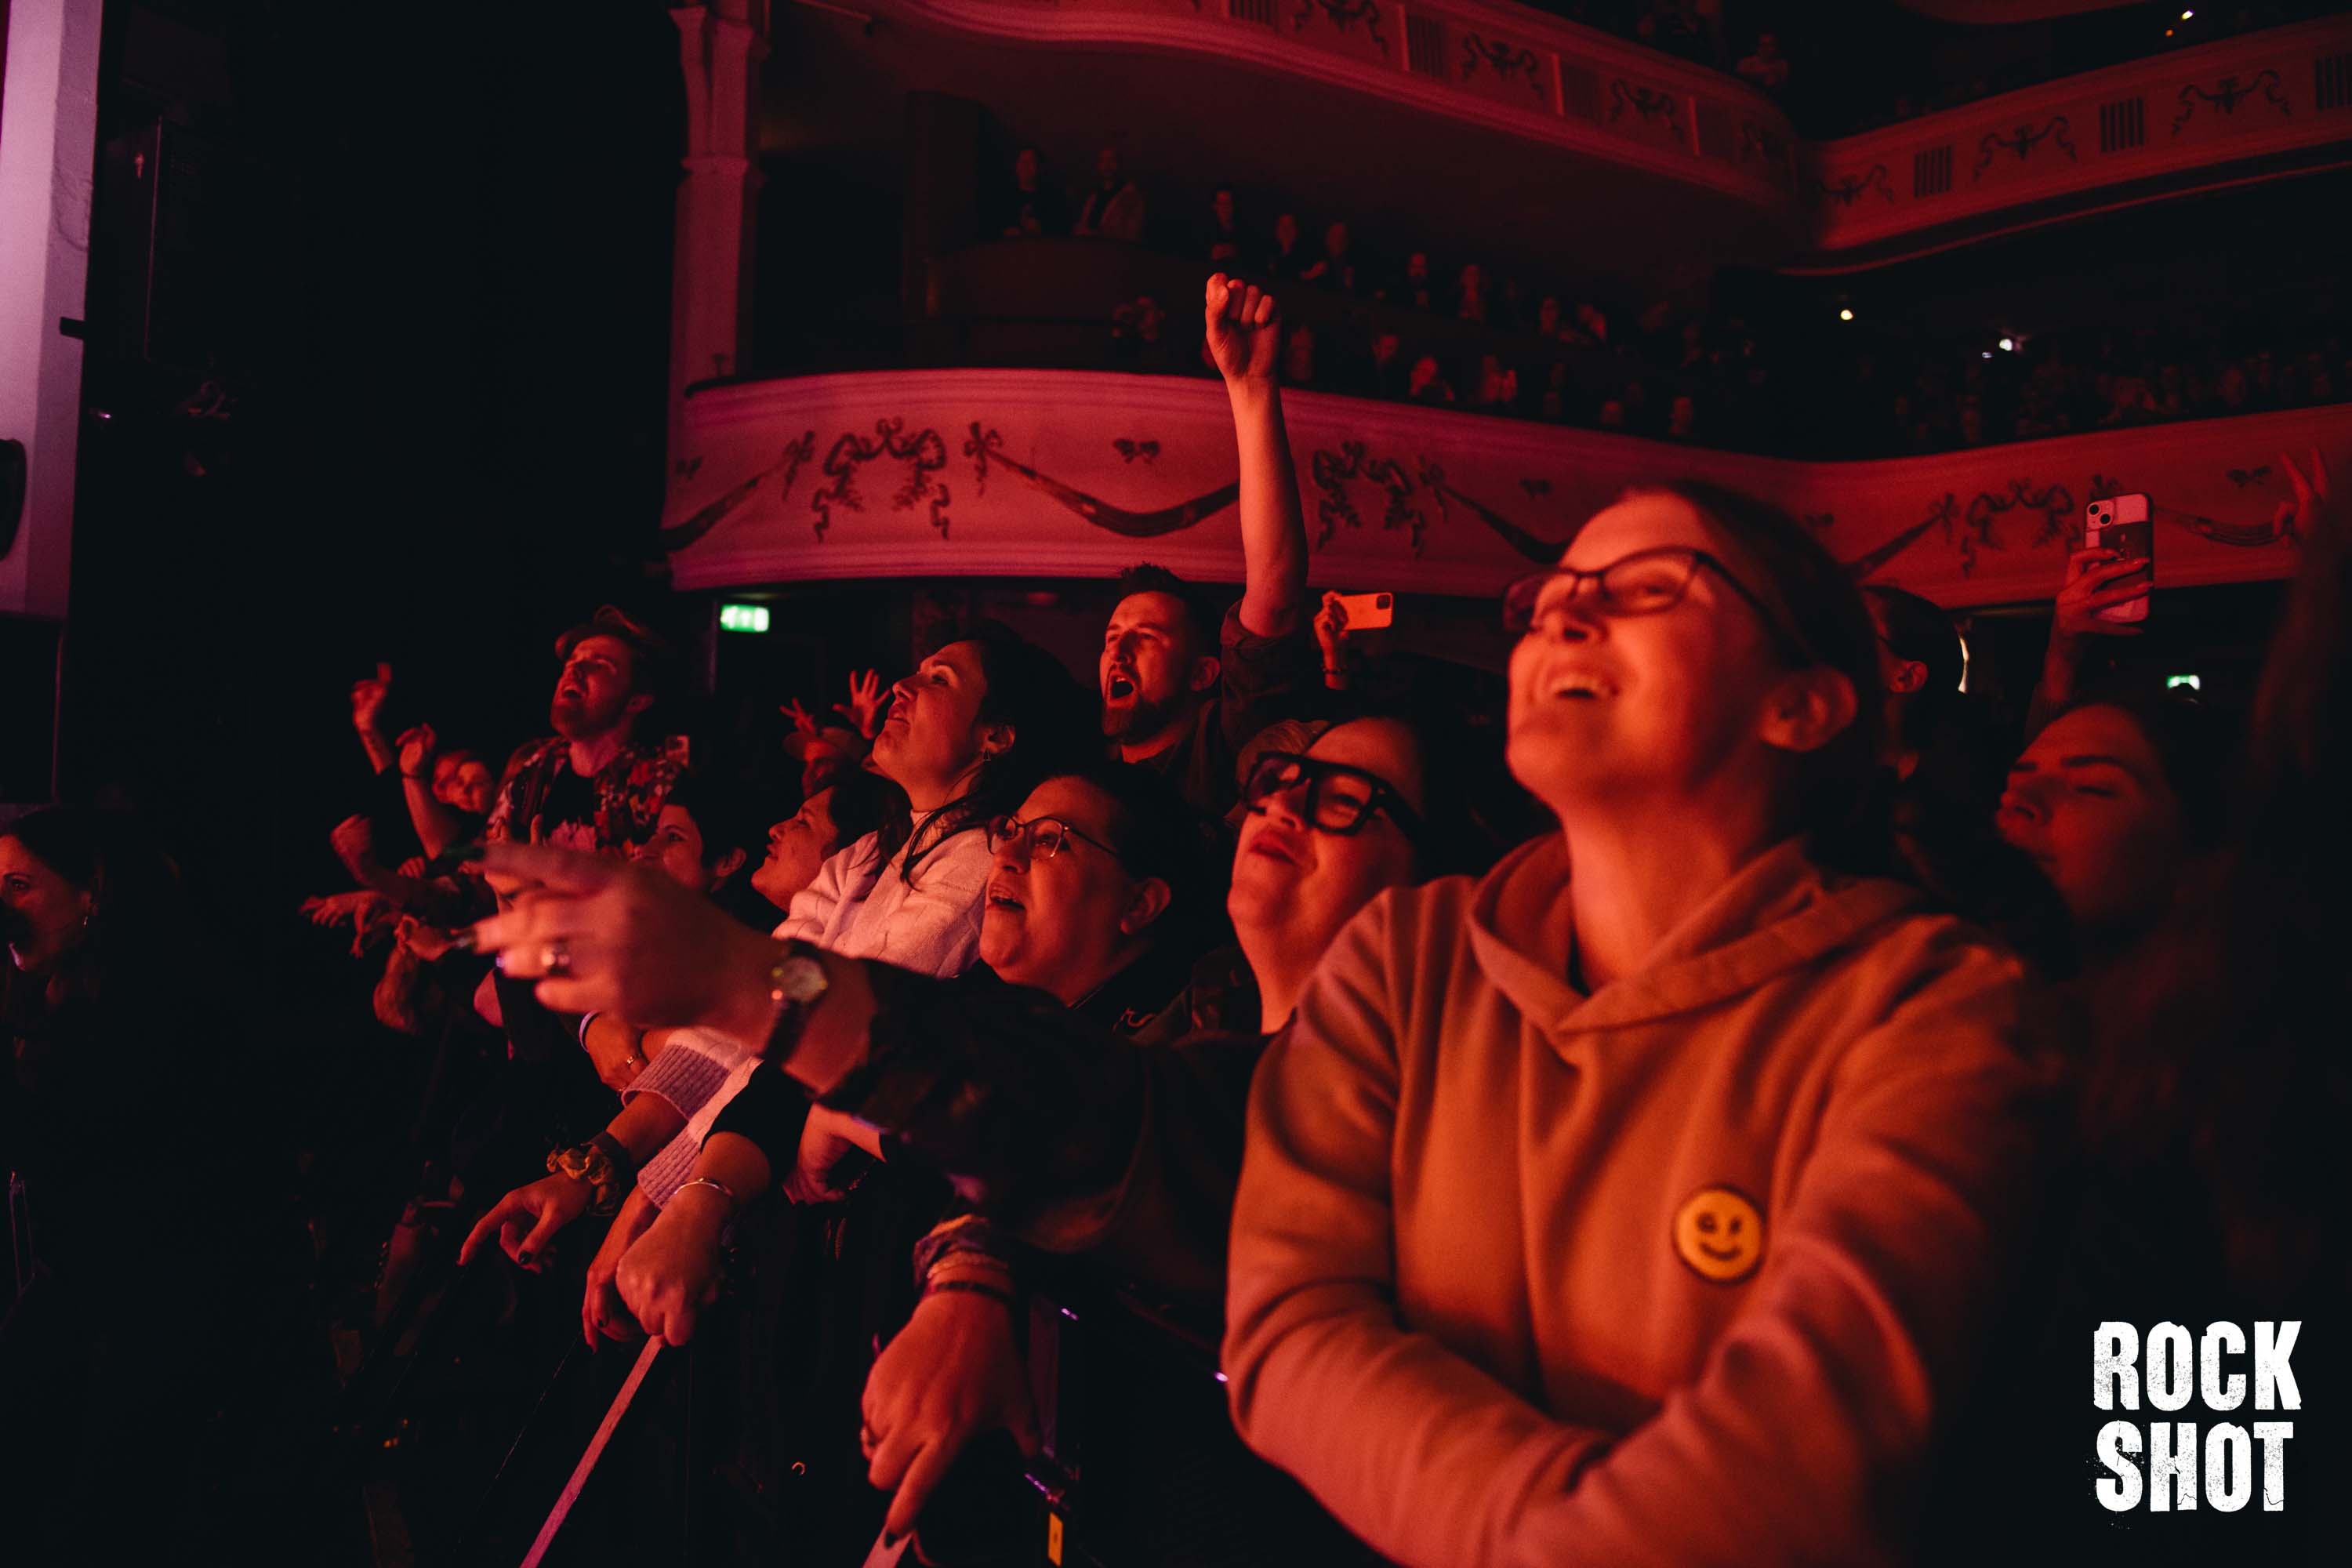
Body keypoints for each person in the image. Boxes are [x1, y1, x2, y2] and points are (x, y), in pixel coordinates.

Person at [1221, 482, 2045, 1565]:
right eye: (1550, 597)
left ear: (1800, 703)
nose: (1560, 618)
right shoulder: (1405, 960)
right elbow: (1288, 1332)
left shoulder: (1935, 1007)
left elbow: (1793, 1475)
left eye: (1646, 588)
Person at [1096, 278, 1319, 815]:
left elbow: (1275, 592)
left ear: (1203, 673)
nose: (1117, 654)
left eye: (1146, 636)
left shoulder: (1219, 756)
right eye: (1112, 637)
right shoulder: (1086, 778)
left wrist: (1251, 386)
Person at [1072, 145, 1144, 242]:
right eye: (1103, 161)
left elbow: (1131, 236)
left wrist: (1092, 234)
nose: (1107, 165)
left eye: (1112, 160)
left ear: (1120, 164)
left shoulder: (1132, 197)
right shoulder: (1093, 197)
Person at [993, 146, 1068, 238]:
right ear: (1016, 166)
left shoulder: (1052, 197)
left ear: (1039, 167)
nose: (1026, 167)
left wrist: (1042, 230)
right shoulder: (1004, 197)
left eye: (1031, 162)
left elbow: (1063, 227)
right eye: (1022, 162)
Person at [1204, 185, 1246, 264]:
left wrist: (1235, 252)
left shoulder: (1244, 231)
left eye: (1228, 203)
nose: (1225, 208)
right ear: (1215, 206)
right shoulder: (1206, 230)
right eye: (1221, 203)